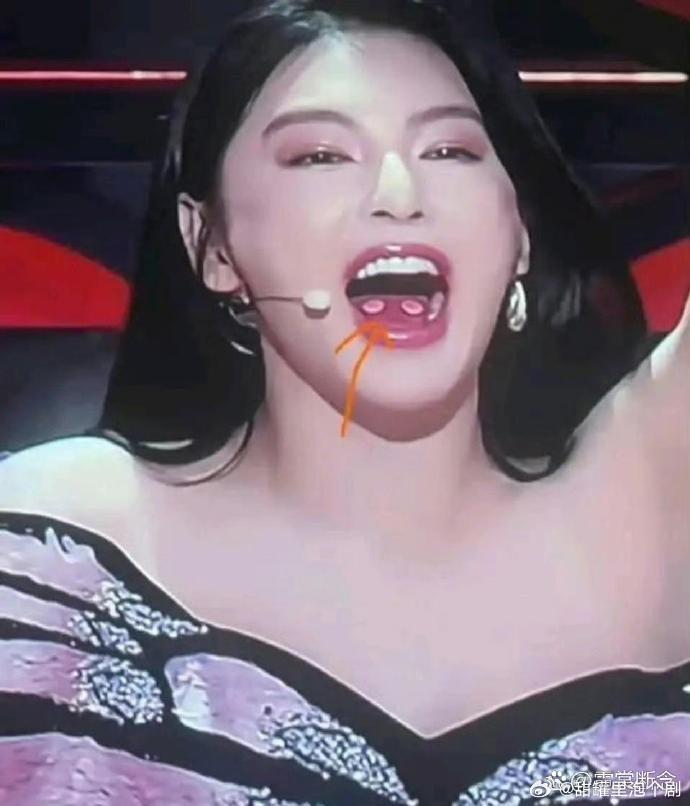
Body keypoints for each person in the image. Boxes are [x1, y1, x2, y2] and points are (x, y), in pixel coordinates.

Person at [0, 0, 688, 803]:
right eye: (320, 155)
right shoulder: (47, 550)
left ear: (520, 234)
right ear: (211, 245)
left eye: (451, 150)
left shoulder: (651, 501)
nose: (399, 192)